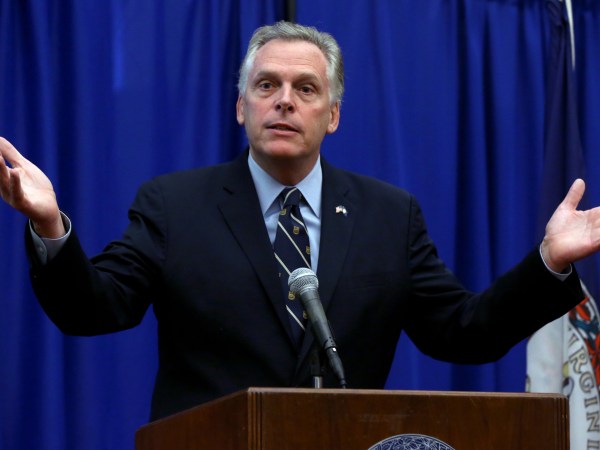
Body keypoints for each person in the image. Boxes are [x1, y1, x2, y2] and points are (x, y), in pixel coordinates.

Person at [0, 21, 598, 421]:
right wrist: (51, 227)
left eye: (306, 88)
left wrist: (547, 264)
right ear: (242, 107)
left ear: (332, 115)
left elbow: (463, 333)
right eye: (267, 85)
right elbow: (95, 309)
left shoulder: (389, 216)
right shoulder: (173, 205)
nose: (284, 99)